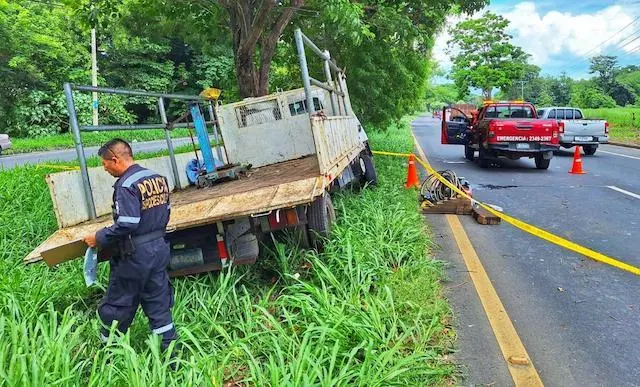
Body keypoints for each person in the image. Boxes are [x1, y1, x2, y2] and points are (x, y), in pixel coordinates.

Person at [83, 138, 177, 351]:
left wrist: (99, 237)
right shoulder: (157, 178)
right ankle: (172, 356)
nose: (104, 168)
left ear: (114, 159)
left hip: (134, 256)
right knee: (158, 303)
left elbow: (128, 223)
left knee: (118, 304)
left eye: (104, 164)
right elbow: (166, 212)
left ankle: (109, 356)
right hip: (158, 249)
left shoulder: (126, 185)